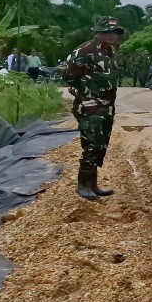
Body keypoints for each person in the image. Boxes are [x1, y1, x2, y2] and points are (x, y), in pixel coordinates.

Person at [61, 17, 125, 200]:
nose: (112, 36)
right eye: (107, 32)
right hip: (90, 106)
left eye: (115, 32)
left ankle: (93, 184)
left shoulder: (110, 51)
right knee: (91, 145)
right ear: (98, 33)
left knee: (101, 145)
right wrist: (85, 91)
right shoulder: (85, 50)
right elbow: (68, 74)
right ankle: (83, 185)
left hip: (107, 106)